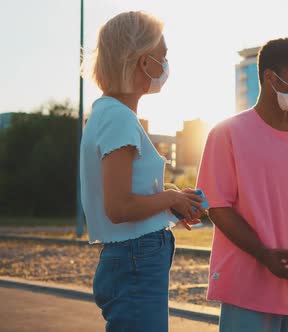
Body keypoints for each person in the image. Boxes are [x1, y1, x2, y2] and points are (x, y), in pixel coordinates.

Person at [196, 38, 288, 332]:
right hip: (247, 289)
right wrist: (264, 255)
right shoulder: (227, 133)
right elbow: (218, 208)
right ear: (270, 78)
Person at [80, 11, 204, 331]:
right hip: (136, 257)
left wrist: (173, 203)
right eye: (162, 57)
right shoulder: (118, 118)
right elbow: (119, 208)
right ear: (142, 61)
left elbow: (129, 195)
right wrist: (168, 198)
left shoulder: (109, 113)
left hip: (132, 256)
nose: (165, 66)